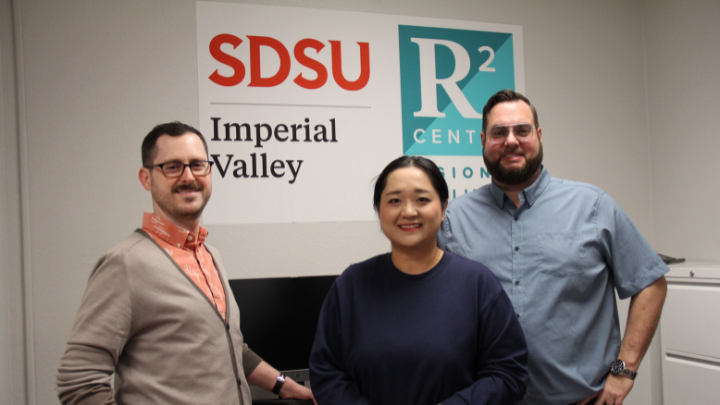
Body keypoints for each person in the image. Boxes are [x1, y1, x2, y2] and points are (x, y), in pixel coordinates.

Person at [56, 122, 315, 405]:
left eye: (197, 165)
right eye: (172, 167)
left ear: (210, 172)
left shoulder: (209, 254)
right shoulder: (126, 263)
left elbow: (229, 347)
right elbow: (79, 380)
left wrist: (289, 387)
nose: (188, 176)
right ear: (146, 178)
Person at [438, 90, 669, 405]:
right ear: (482, 140)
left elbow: (650, 283)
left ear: (539, 135)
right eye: (498, 133)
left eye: (522, 130)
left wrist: (622, 371)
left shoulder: (593, 206)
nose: (511, 141)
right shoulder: (453, 219)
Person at [309, 156, 529, 405]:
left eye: (422, 199)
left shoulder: (478, 284)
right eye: (394, 201)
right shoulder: (351, 285)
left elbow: (508, 373)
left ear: (444, 207)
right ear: (379, 210)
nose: (409, 211)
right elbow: (326, 373)